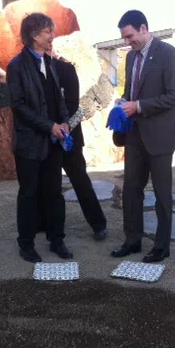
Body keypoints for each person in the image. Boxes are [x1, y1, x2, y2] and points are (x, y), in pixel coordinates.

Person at [111, 10, 175, 263]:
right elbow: (132, 91)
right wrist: (125, 101)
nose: (127, 42)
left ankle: (161, 246)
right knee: (131, 191)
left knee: (162, 194)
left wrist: (139, 106)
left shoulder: (168, 53)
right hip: (135, 136)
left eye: (130, 36)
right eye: (124, 37)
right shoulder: (131, 57)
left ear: (143, 28)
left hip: (161, 136)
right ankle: (132, 240)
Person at [6, 12, 73, 263]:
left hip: (53, 143)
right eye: (48, 32)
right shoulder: (16, 66)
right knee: (29, 195)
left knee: (55, 193)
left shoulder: (50, 62)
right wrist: (49, 126)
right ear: (34, 35)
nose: (52, 36)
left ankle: (57, 240)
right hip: (29, 145)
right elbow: (19, 107)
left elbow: (58, 98)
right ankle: (26, 244)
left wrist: (64, 120)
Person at [36, 47, 108, 242]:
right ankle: (46, 222)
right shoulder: (32, 70)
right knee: (48, 184)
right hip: (47, 134)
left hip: (69, 136)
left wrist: (61, 127)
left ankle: (98, 223)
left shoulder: (66, 69)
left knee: (80, 180)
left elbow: (72, 103)